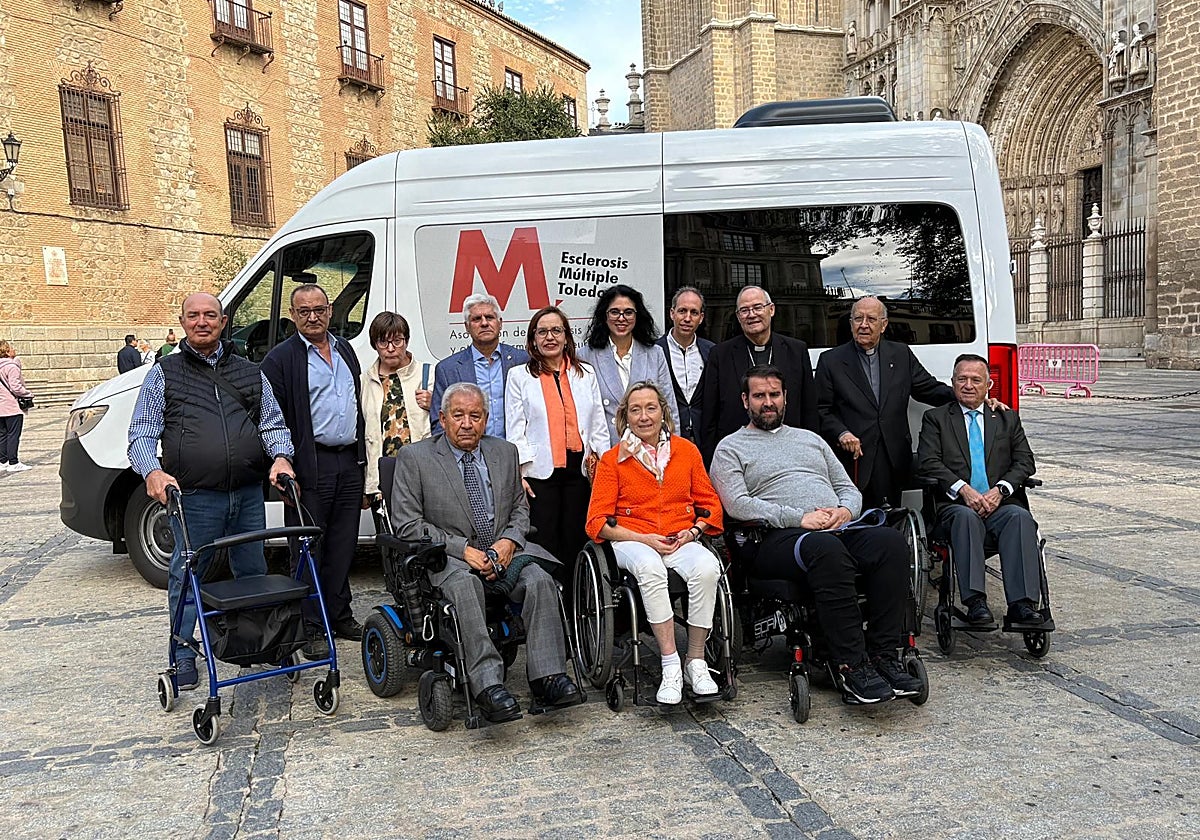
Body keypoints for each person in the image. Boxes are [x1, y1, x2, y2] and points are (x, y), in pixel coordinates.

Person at [710, 365, 923, 704]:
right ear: (744, 400)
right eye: (760, 396)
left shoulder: (811, 439)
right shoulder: (730, 448)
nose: (768, 403)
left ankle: (885, 655)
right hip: (774, 537)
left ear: (785, 398)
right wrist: (799, 517)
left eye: (774, 395)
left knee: (890, 543)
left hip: (835, 525)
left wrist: (845, 511)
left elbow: (847, 488)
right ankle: (851, 666)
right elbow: (737, 504)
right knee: (826, 550)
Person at [127, 293, 295, 690]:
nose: (202, 322)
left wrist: (282, 458)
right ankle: (183, 651)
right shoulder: (163, 373)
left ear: (223, 321)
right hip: (194, 498)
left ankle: (257, 642)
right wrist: (152, 471)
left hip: (247, 493)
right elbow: (142, 432)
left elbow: (271, 424)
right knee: (187, 574)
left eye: (210, 315)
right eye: (193, 316)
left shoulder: (251, 372)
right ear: (182, 322)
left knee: (253, 571)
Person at [391, 382, 582, 722]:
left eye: (475, 416)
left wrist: (507, 543)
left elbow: (520, 510)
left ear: (486, 420)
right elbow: (407, 524)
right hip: (447, 557)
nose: (467, 423)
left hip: (502, 551)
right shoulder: (415, 458)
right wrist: (462, 550)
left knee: (539, 579)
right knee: (466, 586)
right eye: (458, 415)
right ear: (442, 419)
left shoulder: (504, 452)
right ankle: (487, 684)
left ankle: (548, 677)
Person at [586, 381, 724, 704]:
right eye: (635, 409)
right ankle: (670, 663)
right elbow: (597, 522)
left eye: (651, 408)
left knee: (707, 566)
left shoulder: (686, 451)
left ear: (663, 412)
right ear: (625, 417)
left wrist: (692, 533)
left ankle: (696, 661)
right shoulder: (612, 460)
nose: (644, 416)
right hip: (632, 540)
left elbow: (712, 506)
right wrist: (643, 538)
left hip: (678, 536)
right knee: (649, 567)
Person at [262, 284, 367, 657]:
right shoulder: (280, 360)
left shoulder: (345, 350)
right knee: (308, 547)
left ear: (330, 310)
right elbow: (269, 418)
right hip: (311, 463)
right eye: (304, 311)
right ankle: (310, 623)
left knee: (343, 544)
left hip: (347, 461)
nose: (313, 316)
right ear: (293, 315)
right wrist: (284, 461)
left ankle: (338, 614)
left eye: (319, 309)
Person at [916, 354, 1043, 626]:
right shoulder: (936, 418)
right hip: (955, 508)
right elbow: (928, 462)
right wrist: (964, 490)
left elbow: (1025, 461)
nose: (968, 385)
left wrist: (1001, 490)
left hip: (999, 505)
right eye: (962, 379)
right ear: (952, 383)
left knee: (1019, 517)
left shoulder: (1006, 418)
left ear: (989, 385)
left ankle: (1022, 605)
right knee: (966, 518)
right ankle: (975, 602)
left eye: (976, 380)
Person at [815, 296, 955, 508]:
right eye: (858, 319)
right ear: (850, 323)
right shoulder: (831, 360)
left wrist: (972, 399)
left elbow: (930, 389)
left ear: (884, 325)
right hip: (853, 457)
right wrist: (841, 432)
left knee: (891, 521)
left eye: (871, 319)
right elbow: (821, 409)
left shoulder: (901, 354)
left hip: (892, 456)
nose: (863, 325)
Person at [504, 306, 609, 582]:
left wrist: (604, 466)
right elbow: (515, 430)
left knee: (577, 540)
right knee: (546, 543)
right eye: (543, 332)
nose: (549, 337)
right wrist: (521, 473)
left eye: (556, 330)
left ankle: (578, 608)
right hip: (540, 475)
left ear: (566, 337)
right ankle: (551, 605)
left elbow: (598, 422)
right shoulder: (519, 377)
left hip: (580, 471)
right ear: (533, 339)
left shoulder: (585, 373)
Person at [701, 286, 817, 464]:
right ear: (738, 317)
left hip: (790, 453)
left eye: (757, 307)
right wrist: (711, 462)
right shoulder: (720, 354)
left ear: (771, 309)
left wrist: (812, 453)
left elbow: (809, 408)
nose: (751, 314)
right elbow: (710, 413)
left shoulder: (796, 350)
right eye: (744, 310)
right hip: (739, 455)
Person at [577, 284, 679, 449]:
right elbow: (583, 415)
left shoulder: (655, 354)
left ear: (638, 316)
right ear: (604, 315)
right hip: (607, 452)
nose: (621, 318)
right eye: (615, 312)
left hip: (651, 451)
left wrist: (673, 451)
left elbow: (670, 409)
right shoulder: (585, 356)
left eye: (628, 312)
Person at [361, 311, 433, 518]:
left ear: (407, 341)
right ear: (374, 344)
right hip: (383, 479)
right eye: (383, 342)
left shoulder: (428, 375)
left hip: (422, 477)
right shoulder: (365, 381)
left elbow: (447, 422)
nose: (391, 348)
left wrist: (435, 403)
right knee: (388, 543)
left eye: (397, 341)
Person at [430, 293, 528, 437]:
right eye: (476, 319)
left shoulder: (523, 360)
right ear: (467, 327)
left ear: (500, 323)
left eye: (489, 317)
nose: (484, 323)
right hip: (469, 454)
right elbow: (439, 424)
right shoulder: (447, 369)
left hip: (516, 453)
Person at [655, 286, 713, 444]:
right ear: (672, 313)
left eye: (694, 312)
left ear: (701, 318)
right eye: (682, 311)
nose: (687, 318)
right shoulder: (654, 352)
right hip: (666, 439)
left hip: (705, 441)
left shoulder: (712, 352)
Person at [0, 340, 34, 473]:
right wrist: (28, 393)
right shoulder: (11, 367)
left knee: (2, 435)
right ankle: (13, 462)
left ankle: (2, 461)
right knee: (13, 434)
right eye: (12, 348)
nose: (14, 350)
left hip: (1, 406)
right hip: (11, 406)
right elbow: (15, 387)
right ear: (7, 351)